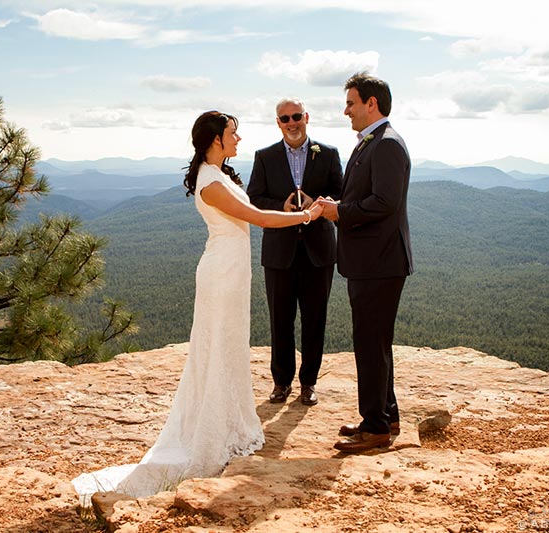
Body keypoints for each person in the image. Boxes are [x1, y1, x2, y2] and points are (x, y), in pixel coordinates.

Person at [72, 111, 323, 502]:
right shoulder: (210, 181)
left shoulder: (219, 174)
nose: (238, 139)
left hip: (232, 272)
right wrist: (307, 215)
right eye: (233, 134)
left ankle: (231, 422)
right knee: (218, 347)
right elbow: (255, 216)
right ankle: (210, 433)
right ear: (215, 140)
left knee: (231, 345)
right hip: (220, 274)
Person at [318, 72, 413, 454]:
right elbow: (363, 194)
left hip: (379, 263)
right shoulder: (371, 142)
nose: (346, 111)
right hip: (372, 262)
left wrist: (339, 212)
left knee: (370, 344)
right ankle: (385, 415)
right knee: (376, 342)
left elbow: (384, 203)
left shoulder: (386, 144)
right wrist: (332, 203)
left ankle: (374, 429)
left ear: (371, 104)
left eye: (351, 103)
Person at [247, 98, 343, 406]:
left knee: (316, 319)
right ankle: (281, 382)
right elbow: (254, 198)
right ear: (278, 122)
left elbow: (342, 194)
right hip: (279, 251)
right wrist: (282, 207)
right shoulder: (265, 157)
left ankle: (309, 383)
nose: (292, 123)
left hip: (319, 250)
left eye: (296, 116)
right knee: (280, 319)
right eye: (285, 118)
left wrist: (321, 202)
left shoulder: (327, 154)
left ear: (306, 117)